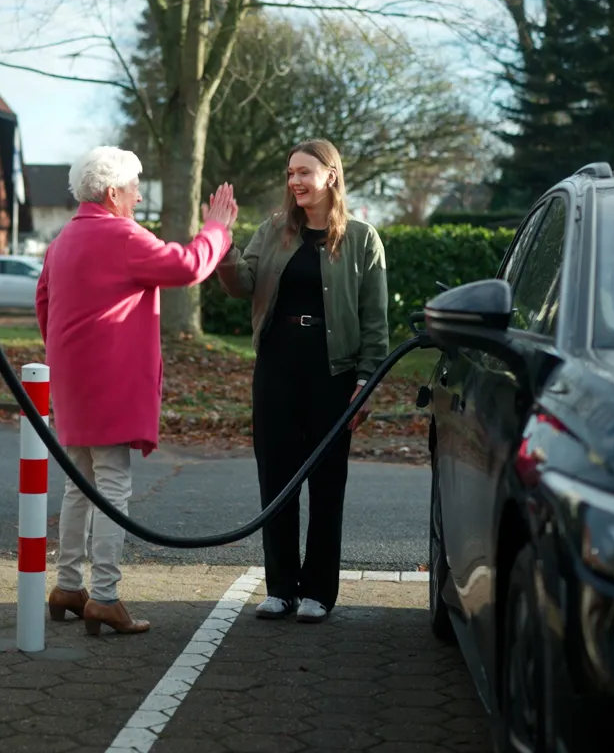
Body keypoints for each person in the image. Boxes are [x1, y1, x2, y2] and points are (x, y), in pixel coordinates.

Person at [36, 147, 239, 635]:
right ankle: (104, 596)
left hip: (72, 380)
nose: (139, 195)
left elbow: (44, 301)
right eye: (133, 187)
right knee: (111, 485)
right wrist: (217, 229)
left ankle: (67, 584)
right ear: (112, 193)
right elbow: (189, 266)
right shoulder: (123, 235)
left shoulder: (62, 239)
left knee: (77, 483)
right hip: (111, 380)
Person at [217, 139, 388, 623]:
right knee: (276, 478)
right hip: (277, 368)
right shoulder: (273, 230)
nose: (294, 181)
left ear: (330, 175)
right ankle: (280, 588)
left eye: (304, 172)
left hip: (333, 375)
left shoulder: (361, 239)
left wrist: (366, 382)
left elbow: (374, 322)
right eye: (290, 172)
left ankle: (317, 592)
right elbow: (242, 285)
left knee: (327, 481)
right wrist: (222, 244)